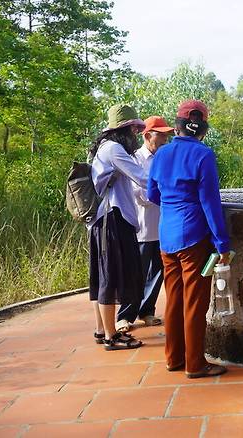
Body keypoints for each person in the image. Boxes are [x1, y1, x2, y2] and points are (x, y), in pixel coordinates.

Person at [148, 100, 231, 378]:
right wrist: (222, 244)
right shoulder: (203, 155)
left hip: (166, 237)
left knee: (173, 298)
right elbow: (210, 203)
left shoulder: (160, 154)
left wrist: (174, 203)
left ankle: (173, 358)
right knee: (195, 301)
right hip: (194, 236)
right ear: (203, 129)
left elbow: (152, 195)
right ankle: (195, 363)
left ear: (178, 127)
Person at [88, 103, 146, 350]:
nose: (136, 134)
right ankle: (112, 336)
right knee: (111, 277)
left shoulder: (103, 148)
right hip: (113, 218)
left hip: (104, 219)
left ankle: (102, 330)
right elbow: (142, 177)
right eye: (133, 129)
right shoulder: (113, 150)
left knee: (102, 276)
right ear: (122, 130)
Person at [121, 116, 174, 327]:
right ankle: (125, 316)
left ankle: (146, 311)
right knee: (136, 273)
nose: (164, 139)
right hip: (141, 226)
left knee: (158, 272)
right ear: (147, 135)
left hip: (162, 225)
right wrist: (159, 193)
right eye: (160, 135)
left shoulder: (165, 158)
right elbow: (137, 192)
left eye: (166, 135)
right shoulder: (134, 159)